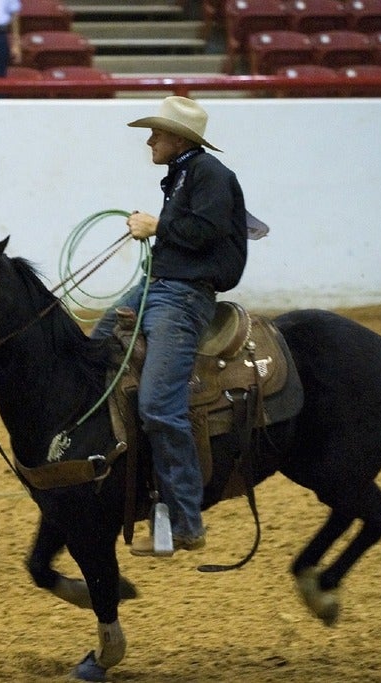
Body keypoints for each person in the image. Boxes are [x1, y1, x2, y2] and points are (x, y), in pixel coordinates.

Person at [91, 96, 248, 557]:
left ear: (178, 137)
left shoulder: (210, 175)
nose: (149, 140)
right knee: (94, 347)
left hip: (183, 297)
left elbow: (208, 232)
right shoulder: (183, 175)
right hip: (157, 287)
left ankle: (186, 520)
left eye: (156, 133)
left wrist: (158, 226)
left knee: (160, 405)